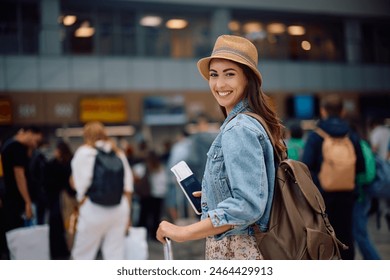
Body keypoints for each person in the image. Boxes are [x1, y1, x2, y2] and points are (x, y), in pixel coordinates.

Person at [156, 35, 286, 260]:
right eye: (214, 74)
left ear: (248, 79)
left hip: (240, 251)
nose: (219, 84)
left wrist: (182, 232)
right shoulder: (251, 122)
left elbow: (248, 205)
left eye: (230, 74)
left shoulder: (239, 128)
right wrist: (214, 193)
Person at [301, 94, 365, 260]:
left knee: (323, 236)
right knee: (346, 235)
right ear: (342, 111)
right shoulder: (351, 135)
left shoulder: (316, 136)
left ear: (323, 111)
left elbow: (306, 166)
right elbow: (361, 167)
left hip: (322, 196)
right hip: (347, 194)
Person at [70, 121, 133, 260]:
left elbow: (80, 185)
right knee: (115, 254)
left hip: (93, 209)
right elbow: (128, 187)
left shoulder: (84, 153)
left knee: (83, 255)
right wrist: (128, 215)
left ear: (86, 135)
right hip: (119, 209)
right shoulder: (118, 153)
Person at [1, 126, 43, 233]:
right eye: (36, 140)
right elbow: (20, 176)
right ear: (29, 133)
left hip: (13, 199)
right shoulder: (17, 148)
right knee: (23, 235)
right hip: (18, 201)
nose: (35, 144)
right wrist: (27, 202)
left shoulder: (10, 145)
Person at [44, 140, 73, 259]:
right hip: (68, 199)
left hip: (56, 200)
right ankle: (67, 249)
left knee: (56, 226)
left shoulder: (52, 164)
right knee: (68, 225)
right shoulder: (70, 164)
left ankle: (57, 252)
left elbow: (46, 181)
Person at [137, 151, 168, 240]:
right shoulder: (161, 168)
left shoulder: (144, 167)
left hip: (147, 195)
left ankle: (141, 235)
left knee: (143, 216)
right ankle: (154, 235)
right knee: (156, 216)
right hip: (158, 195)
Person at [368, 117, 390, 230]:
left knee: (383, 197)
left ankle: (386, 214)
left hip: (383, 170)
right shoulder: (388, 131)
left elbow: (374, 149)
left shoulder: (375, 133)